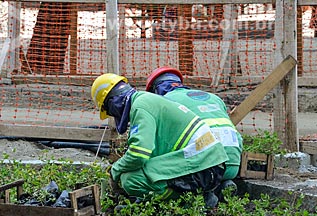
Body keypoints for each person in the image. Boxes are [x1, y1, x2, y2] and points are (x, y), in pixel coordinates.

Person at [91, 73, 229, 208]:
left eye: (109, 111)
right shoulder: (145, 100)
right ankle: (201, 195)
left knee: (131, 180)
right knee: (140, 172)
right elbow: (149, 151)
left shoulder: (140, 107)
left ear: (112, 103)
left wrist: (114, 170)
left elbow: (138, 155)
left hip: (204, 166)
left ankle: (188, 202)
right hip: (208, 162)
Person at [146, 66, 243, 198]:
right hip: (233, 163)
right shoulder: (214, 97)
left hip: (207, 164)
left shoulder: (165, 102)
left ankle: (202, 194)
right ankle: (222, 184)